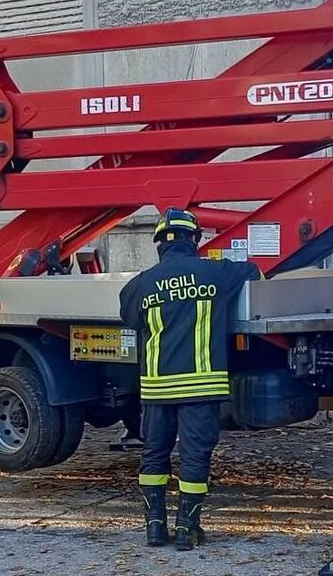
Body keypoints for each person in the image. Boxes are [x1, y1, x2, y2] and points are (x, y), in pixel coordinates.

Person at [119, 208, 261, 550]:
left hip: (157, 389)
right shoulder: (215, 273)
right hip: (200, 386)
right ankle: (187, 529)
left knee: (154, 455)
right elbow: (255, 271)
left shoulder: (141, 283)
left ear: (159, 244)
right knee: (195, 457)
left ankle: (155, 529)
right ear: (193, 239)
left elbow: (128, 317)